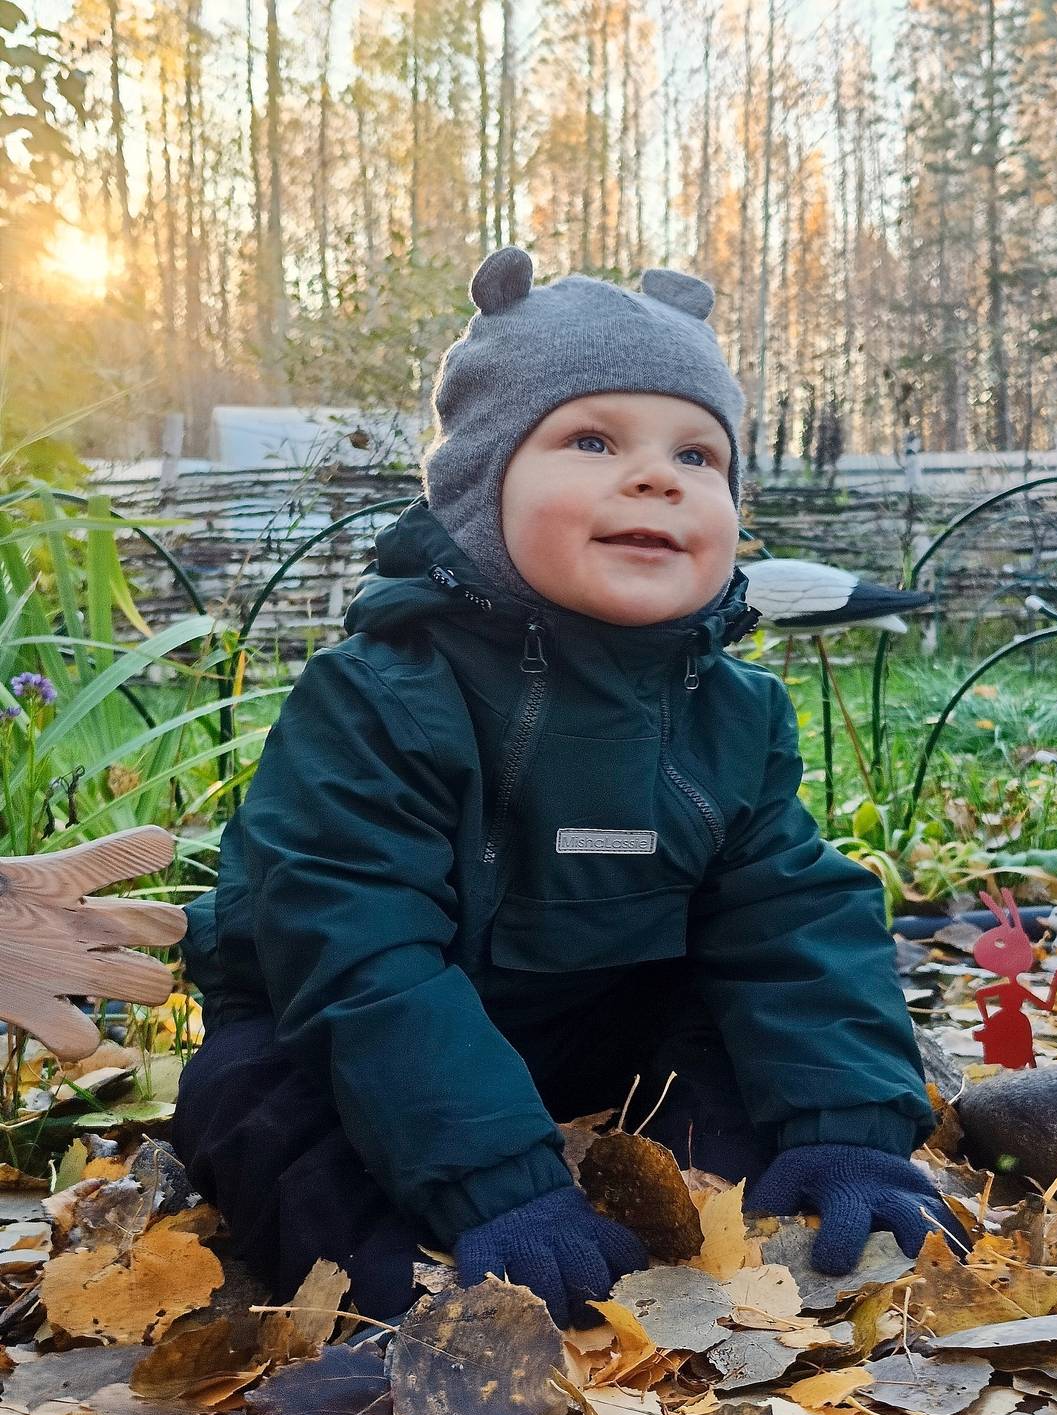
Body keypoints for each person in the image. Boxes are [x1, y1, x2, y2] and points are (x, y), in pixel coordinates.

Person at [170, 247, 957, 1330]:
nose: (657, 477)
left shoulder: (735, 714)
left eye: (697, 455)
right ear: (479, 486)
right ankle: (424, 1309)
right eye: (592, 441)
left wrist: (849, 1129)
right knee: (252, 1105)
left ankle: (719, 1259)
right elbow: (356, 956)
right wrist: (499, 1185)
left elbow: (791, 923)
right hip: (352, 1028)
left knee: (737, 1057)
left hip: (601, 1021)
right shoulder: (378, 699)